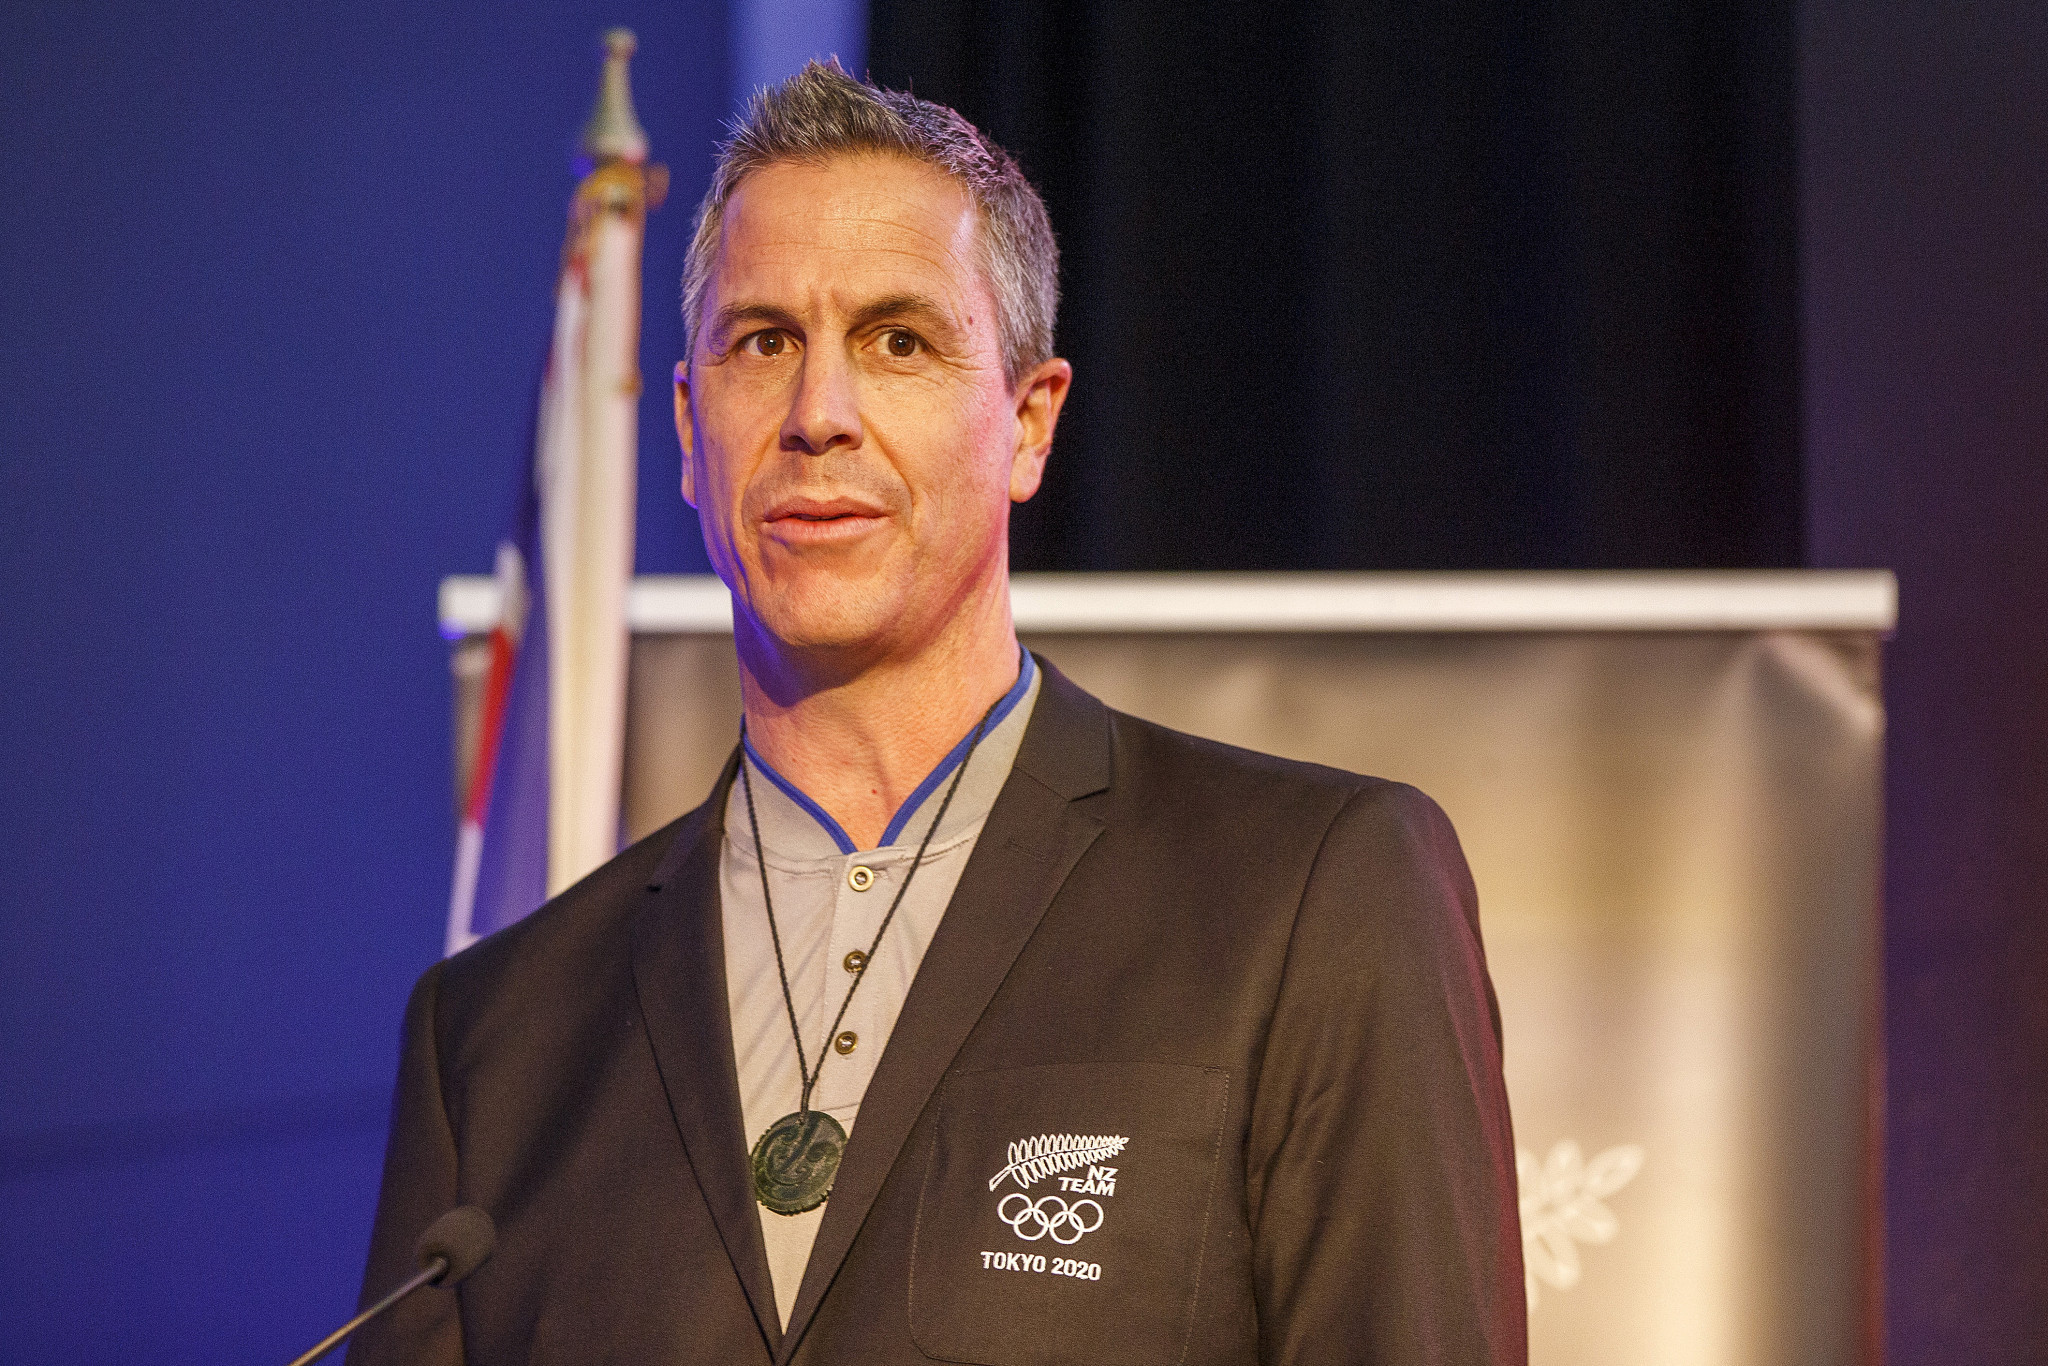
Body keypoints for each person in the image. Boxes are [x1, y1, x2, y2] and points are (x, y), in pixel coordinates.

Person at [350, 61, 1524, 1366]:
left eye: (897, 341)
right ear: (687, 429)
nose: (819, 417)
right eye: (763, 342)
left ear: (1029, 423)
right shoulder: (492, 1038)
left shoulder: (1313, 895)